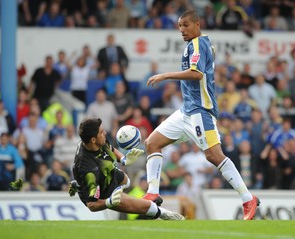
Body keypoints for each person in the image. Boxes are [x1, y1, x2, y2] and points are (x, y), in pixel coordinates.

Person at [143, 10, 260, 220]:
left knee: (214, 156)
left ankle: (247, 198)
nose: (182, 30)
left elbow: (197, 74)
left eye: (186, 25)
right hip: (186, 110)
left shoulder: (198, 44)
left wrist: (165, 75)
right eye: (179, 26)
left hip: (201, 110)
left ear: (198, 24)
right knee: (152, 143)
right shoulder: (197, 45)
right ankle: (153, 192)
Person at [70, 117, 184, 220]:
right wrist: (108, 202)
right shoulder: (88, 170)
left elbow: (110, 149)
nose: (105, 133)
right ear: (93, 140)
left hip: (107, 174)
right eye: (101, 132)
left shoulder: (95, 141)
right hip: (104, 192)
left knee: (127, 181)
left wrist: (124, 159)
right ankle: (167, 215)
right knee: (147, 206)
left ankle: (79, 184)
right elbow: (92, 205)